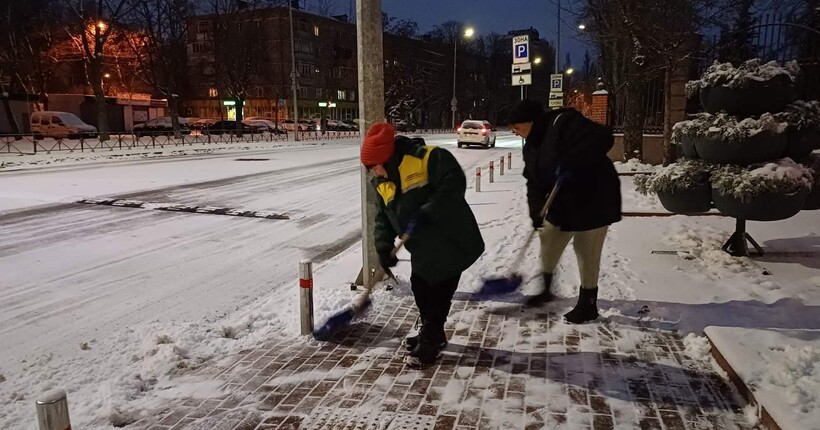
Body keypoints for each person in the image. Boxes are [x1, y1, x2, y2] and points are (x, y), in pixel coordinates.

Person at [360, 122, 484, 366]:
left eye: (374, 167)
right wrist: (383, 247)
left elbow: (454, 182)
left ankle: (430, 339)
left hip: (451, 237)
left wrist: (428, 211)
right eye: (369, 168)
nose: (373, 172)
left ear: (386, 158)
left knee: (438, 290)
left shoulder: (427, 158)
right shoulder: (380, 182)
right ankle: (433, 333)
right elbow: (382, 217)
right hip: (423, 246)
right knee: (420, 286)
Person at [507, 99, 621, 324]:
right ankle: (546, 290)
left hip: (593, 199)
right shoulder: (531, 146)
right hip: (561, 203)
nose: (514, 132)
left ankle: (588, 303)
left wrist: (573, 161)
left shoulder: (564, 122)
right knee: (548, 237)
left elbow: (603, 137)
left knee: (586, 250)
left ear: (531, 122)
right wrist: (536, 211)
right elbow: (533, 182)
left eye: (517, 127)